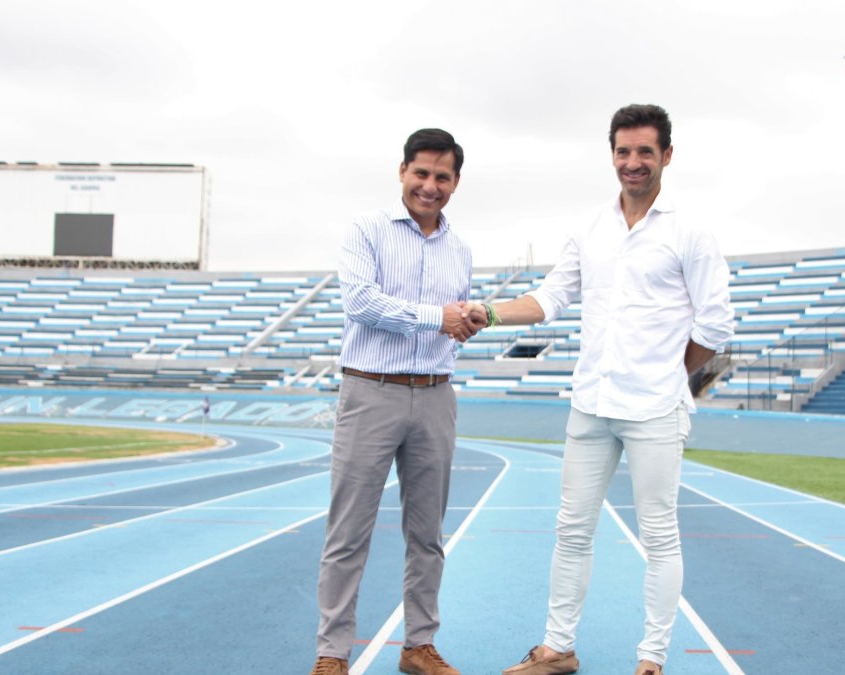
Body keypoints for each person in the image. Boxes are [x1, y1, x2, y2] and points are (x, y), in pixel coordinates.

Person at [471, 104, 734, 675]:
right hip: (591, 403)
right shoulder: (589, 229)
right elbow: (547, 300)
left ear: (666, 155)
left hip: (655, 409)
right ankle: (558, 648)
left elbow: (714, 328)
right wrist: (486, 311)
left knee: (659, 534)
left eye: (645, 151)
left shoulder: (690, 232)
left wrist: (668, 373)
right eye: (623, 151)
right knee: (571, 530)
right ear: (611, 155)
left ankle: (651, 659)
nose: (632, 163)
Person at [311, 128, 480, 675]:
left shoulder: (461, 249)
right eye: (422, 174)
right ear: (402, 172)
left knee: (427, 535)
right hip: (371, 390)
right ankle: (333, 653)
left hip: (435, 396)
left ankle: (419, 645)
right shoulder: (367, 230)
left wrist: (464, 324)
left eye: (443, 177)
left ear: (456, 182)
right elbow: (362, 303)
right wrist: (439, 317)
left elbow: (450, 321)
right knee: (348, 532)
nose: (430, 186)